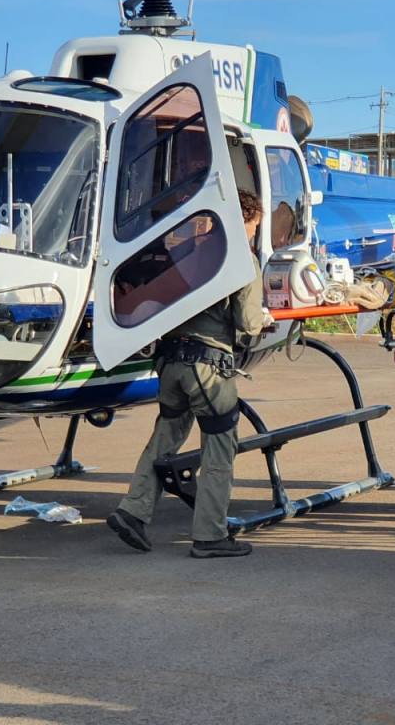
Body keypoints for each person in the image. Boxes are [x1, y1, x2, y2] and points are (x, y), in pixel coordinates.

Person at [107, 189, 268, 558]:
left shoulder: (188, 250)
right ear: (248, 219)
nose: (254, 235)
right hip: (208, 366)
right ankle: (211, 535)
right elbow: (245, 323)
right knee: (219, 446)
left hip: (170, 363)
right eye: (255, 226)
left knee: (165, 437)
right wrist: (261, 322)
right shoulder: (240, 257)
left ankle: (133, 510)